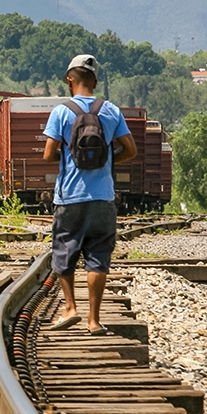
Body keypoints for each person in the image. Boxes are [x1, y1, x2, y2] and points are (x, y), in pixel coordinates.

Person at [42, 54, 137, 335]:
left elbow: (48, 154)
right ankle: (94, 320)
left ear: (71, 79)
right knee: (98, 256)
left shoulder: (61, 111)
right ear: (94, 81)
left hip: (70, 196)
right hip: (103, 196)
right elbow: (130, 150)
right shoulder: (111, 111)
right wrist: (106, 161)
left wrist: (69, 156)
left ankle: (70, 308)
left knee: (64, 252)